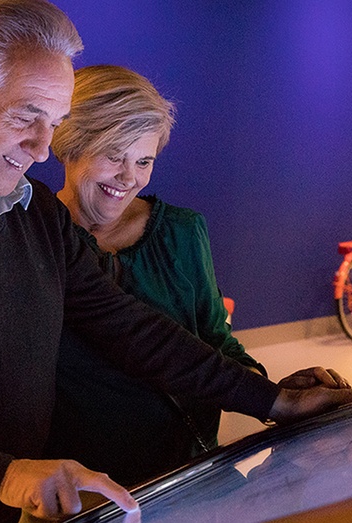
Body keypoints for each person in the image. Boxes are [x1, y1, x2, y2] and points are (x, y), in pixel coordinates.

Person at [0, 1, 352, 522]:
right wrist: (1, 473)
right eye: (24, 116)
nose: (42, 148)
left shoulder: (34, 214)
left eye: (53, 124)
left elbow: (129, 329)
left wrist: (271, 400)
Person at [44, 65, 268, 485]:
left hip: (188, 475)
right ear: (69, 145)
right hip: (82, 489)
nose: (129, 178)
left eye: (144, 161)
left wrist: (272, 393)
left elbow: (215, 340)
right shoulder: (34, 238)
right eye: (114, 155)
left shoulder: (182, 231)